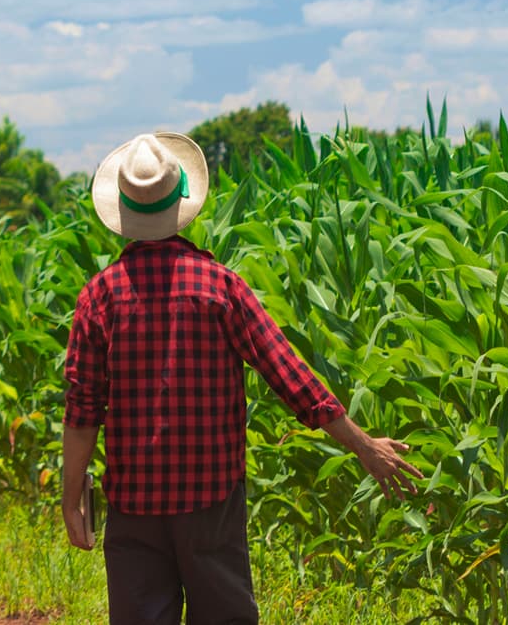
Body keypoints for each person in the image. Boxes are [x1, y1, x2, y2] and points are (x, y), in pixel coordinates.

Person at [59, 132, 423, 625]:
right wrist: (364, 445)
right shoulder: (220, 287)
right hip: (211, 503)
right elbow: (290, 376)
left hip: (133, 504)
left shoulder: (99, 297)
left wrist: (72, 498)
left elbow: (82, 412)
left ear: (124, 211)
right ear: (182, 202)